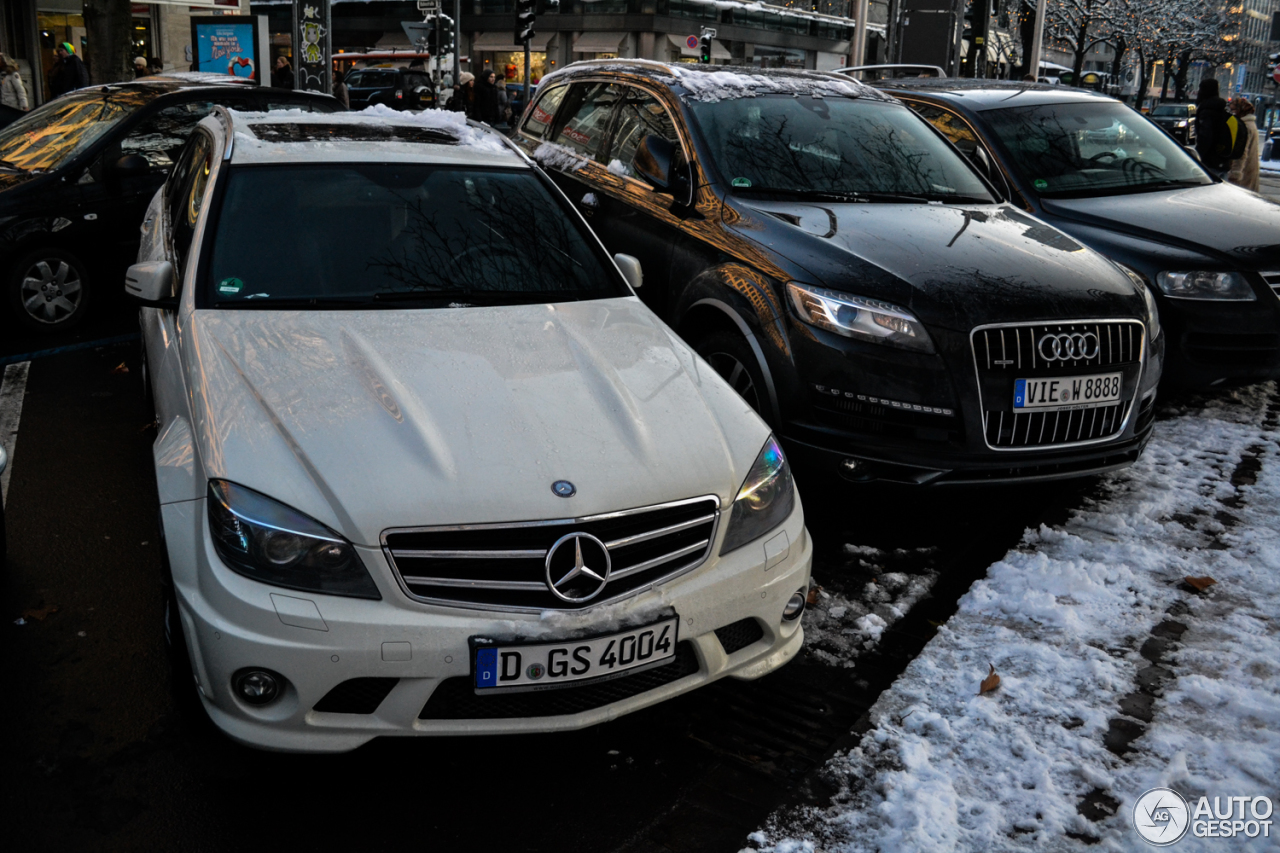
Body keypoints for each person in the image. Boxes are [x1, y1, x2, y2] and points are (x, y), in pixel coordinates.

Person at [1194, 79, 1233, 178]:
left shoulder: (1207, 111)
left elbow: (1205, 137)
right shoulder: (1222, 109)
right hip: (1222, 160)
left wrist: (1196, 156)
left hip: (1209, 162)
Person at [1228, 98, 1260, 193]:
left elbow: (1242, 152)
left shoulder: (1244, 126)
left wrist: (1235, 174)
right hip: (1250, 169)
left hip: (1244, 172)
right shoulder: (1251, 124)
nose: (1232, 113)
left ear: (1240, 110)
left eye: (1233, 110)